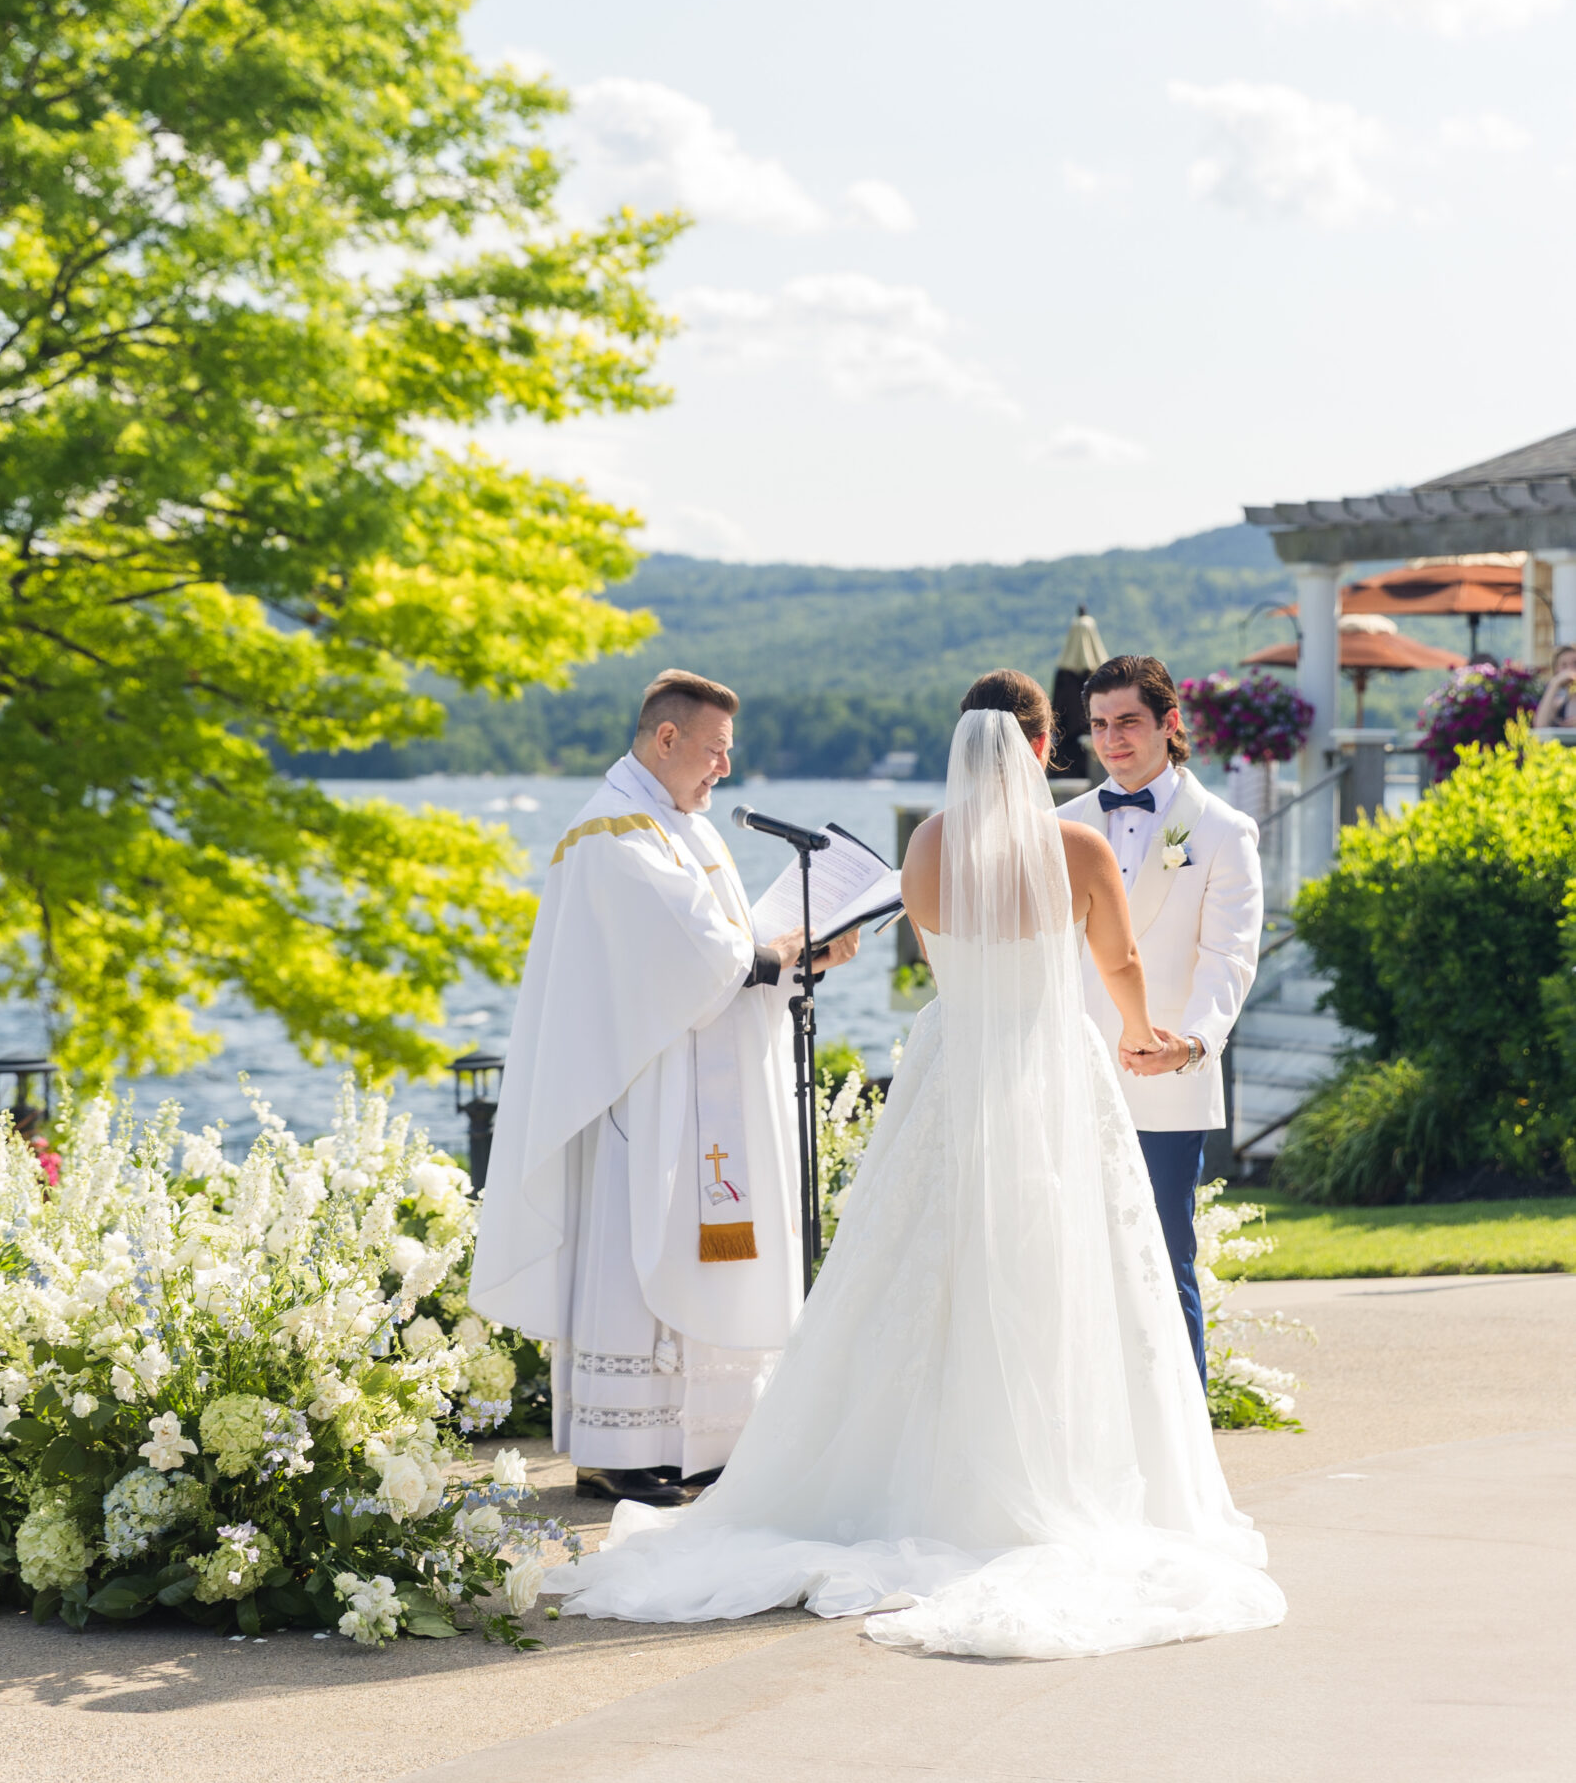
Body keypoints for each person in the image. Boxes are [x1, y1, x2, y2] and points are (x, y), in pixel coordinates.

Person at [547, 672, 1286, 1660]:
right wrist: (1146, 1026)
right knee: (1057, 1264)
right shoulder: (1078, 846)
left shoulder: (931, 843)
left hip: (952, 1064)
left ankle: (899, 1466)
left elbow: (934, 957)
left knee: (915, 1263)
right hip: (1043, 1061)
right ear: (1038, 745)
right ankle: (1050, 1466)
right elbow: (1115, 965)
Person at [469, 668, 859, 1507]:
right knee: (633, 1253)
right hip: (640, 1095)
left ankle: (707, 1439)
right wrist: (782, 950)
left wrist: (802, 955)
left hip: (696, 1085)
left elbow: (730, 948)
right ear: (667, 738)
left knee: (699, 1247)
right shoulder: (612, 834)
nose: (724, 767)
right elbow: (699, 955)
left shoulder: (684, 826)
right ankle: (622, 1447)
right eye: (715, 750)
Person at [1057, 655, 1263, 1382]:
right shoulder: (1060, 827)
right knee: (1067, 1263)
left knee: (1160, 1258)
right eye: (1100, 725)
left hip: (1166, 1078)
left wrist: (1194, 1044)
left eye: (1128, 722)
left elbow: (1228, 957)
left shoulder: (1223, 830)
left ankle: (1184, 1444)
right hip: (1069, 1077)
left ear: (1168, 723)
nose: (1111, 739)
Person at [1533, 644, 1576, 731]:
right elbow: (1540, 726)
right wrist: (1554, 684)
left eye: (1575, 663)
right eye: (1564, 666)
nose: (1570, 669)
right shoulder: (1559, 705)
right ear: (1556, 670)